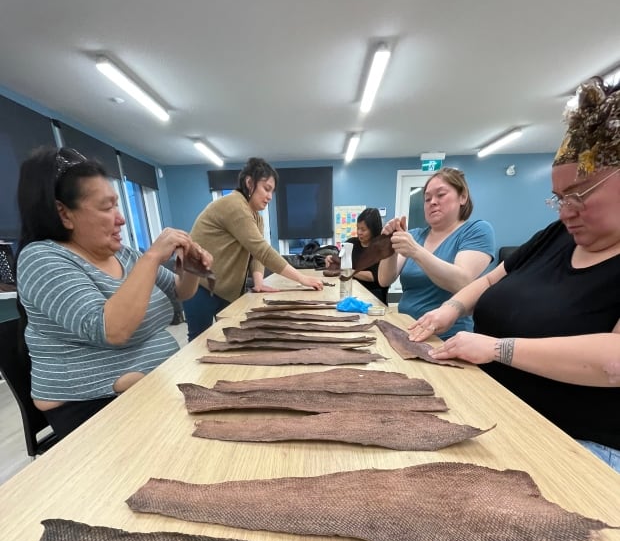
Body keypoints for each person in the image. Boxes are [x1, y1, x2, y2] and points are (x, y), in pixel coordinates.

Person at [408, 77, 620, 471]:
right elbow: (490, 279)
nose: (565, 212)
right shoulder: (556, 236)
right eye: (558, 199)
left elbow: (615, 359)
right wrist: (450, 310)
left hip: (579, 444)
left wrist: (497, 348)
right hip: (501, 413)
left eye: (580, 194)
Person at [16, 146, 213, 439]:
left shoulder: (124, 256)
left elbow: (179, 292)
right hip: (90, 409)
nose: (120, 218)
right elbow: (111, 329)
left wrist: (191, 268)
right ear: (63, 213)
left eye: (117, 205)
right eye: (107, 207)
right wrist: (152, 257)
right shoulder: (41, 258)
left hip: (147, 388)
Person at [183, 157, 323, 340]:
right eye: (266, 189)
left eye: (272, 191)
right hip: (199, 286)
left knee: (226, 338)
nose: (270, 196)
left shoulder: (257, 218)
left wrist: (258, 282)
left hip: (225, 290)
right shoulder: (233, 205)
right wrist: (302, 278)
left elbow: (255, 254)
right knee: (198, 342)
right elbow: (262, 250)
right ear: (249, 183)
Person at [378, 168, 495, 338]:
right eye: (427, 198)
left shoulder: (476, 230)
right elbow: (384, 279)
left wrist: (416, 251)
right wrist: (389, 247)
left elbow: (462, 282)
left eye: (441, 195)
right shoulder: (416, 235)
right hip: (406, 329)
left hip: (447, 337)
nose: (432, 202)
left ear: (462, 197)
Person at [325, 208, 389, 303]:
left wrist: (350, 271)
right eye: (358, 228)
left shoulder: (381, 249)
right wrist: (330, 259)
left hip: (373, 296)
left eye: (363, 229)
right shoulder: (351, 243)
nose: (359, 232)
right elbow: (339, 261)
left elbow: (374, 277)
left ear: (373, 230)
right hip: (351, 292)